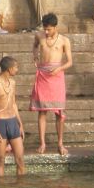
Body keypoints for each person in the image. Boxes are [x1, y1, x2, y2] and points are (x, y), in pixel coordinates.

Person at [30, 14, 73, 156]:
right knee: (42, 111)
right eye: (45, 29)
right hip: (42, 75)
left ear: (55, 27)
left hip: (57, 76)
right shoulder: (39, 36)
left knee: (60, 113)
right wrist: (35, 55)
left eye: (49, 29)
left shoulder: (64, 40)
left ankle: (60, 143)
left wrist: (59, 68)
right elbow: (35, 46)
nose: (46, 32)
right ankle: (42, 143)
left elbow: (69, 62)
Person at [0, 56, 25, 177]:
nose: (17, 70)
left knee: (20, 160)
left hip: (13, 122)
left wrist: (20, 124)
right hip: (0, 123)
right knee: (1, 160)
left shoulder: (13, 83)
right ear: (10, 68)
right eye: (16, 67)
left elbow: (14, 104)